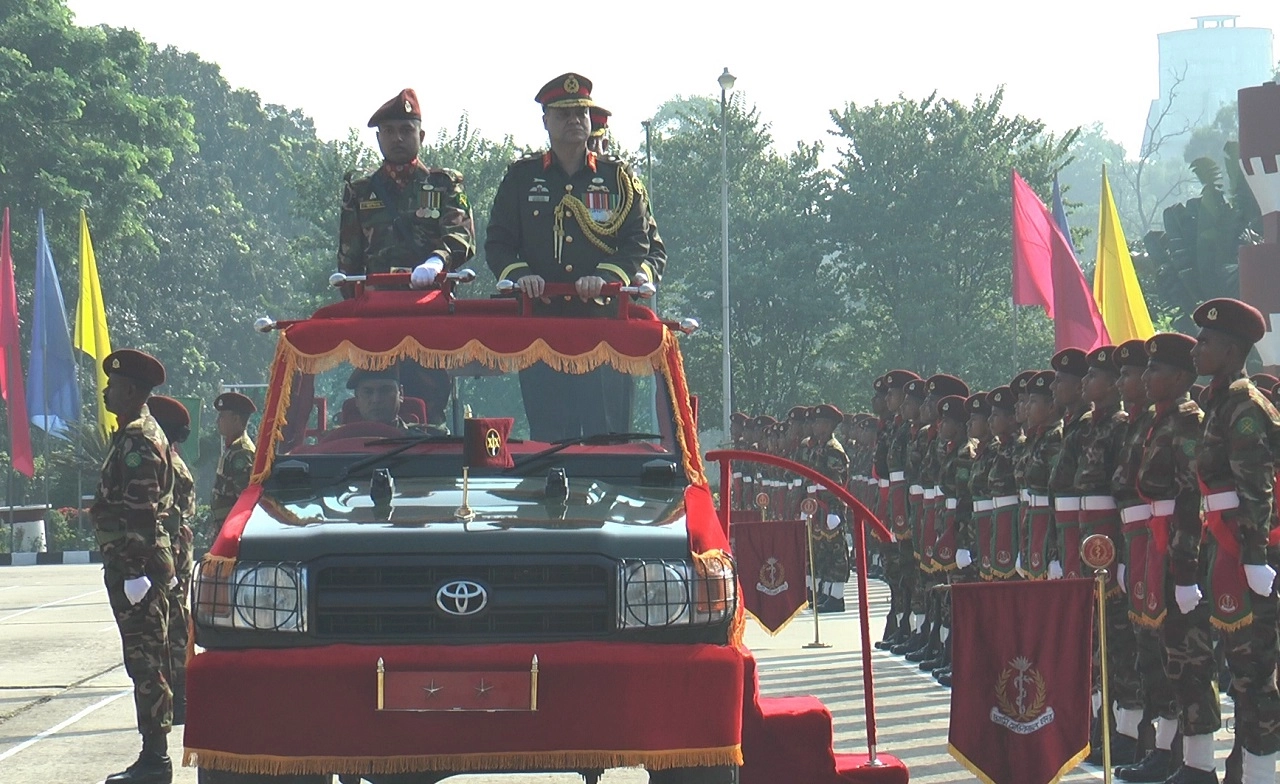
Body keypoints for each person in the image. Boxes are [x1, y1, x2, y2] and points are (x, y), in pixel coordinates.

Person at [485, 73, 652, 442]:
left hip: (603, 329)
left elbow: (638, 240)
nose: (575, 120)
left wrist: (607, 277)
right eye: (564, 114)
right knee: (551, 438)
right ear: (546, 121)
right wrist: (520, 274)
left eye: (581, 112)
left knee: (607, 438)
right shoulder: (522, 178)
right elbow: (497, 242)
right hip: (544, 328)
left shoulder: (617, 179)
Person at [1188, 298, 1280, 784]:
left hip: (1246, 552)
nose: (1197, 349)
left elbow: (1256, 486)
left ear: (1231, 350)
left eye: (1207, 342)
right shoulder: (1214, 401)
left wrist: (1256, 558)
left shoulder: (1245, 406)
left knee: (1254, 674)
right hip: (1220, 545)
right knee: (1234, 670)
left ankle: (1262, 775)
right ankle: (1241, 768)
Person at [91, 349, 175, 784]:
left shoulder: (139, 439)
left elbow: (141, 508)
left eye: (113, 384)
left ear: (131, 390)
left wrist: (135, 571)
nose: (106, 390)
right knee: (142, 660)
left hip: (136, 567)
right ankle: (152, 755)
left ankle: (156, 759)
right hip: (130, 565)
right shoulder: (130, 434)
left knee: (146, 663)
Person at [337, 88, 475, 294]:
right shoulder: (361, 190)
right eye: (389, 131)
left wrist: (437, 261)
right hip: (376, 303)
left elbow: (461, 237)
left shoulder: (444, 185)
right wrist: (353, 302)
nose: (398, 138)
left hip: (431, 298)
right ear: (378, 138)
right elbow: (348, 258)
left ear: (421, 136)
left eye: (406, 130)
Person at [145, 395, 196, 727]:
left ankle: (181, 697)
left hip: (173, 558)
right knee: (173, 630)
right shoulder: (170, 460)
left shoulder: (171, 466)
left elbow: (172, 520)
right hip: (175, 558)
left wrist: (173, 569)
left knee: (174, 632)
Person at [588, 104, 666, 289]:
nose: (585, 151)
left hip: (610, 298)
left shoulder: (623, 186)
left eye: (592, 144)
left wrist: (640, 273)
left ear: (604, 145)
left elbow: (654, 250)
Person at [209, 391, 257, 533]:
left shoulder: (242, 452)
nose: (218, 421)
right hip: (225, 526)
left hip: (233, 529)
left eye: (222, 416)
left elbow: (243, 498)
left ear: (236, 419)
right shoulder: (233, 448)